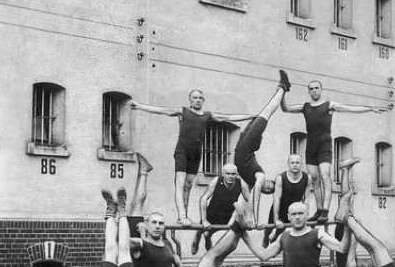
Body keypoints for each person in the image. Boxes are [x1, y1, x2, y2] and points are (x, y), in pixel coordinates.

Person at [129, 90, 254, 226]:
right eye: (194, 97)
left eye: (200, 98)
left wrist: (251, 117)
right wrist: (139, 106)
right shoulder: (183, 112)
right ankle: (182, 216)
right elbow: (162, 110)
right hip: (182, 151)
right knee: (180, 183)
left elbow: (228, 118)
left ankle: (185, 217)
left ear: (203, 100)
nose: (197, 100)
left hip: (196, 154)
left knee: (188, 186)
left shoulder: (207, 115)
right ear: (190, 99)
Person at [280, 79, 389, 223]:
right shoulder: (305, 107)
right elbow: (285, 108)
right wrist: (282, 91)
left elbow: (349, 108)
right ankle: (319, 210)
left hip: (324, 144)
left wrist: (370, 108)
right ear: (308, 91)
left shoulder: (329, 105)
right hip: (311, 145)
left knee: (325, 175)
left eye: (316, 88)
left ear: (321, 89)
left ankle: (325, 210)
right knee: (314, 179)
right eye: (311, 88)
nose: (314, 90)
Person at [232, 71, 293, 225]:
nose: (266, 189)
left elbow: (245, 198)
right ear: (270, 181)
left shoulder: (249, 183)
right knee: (266, 114)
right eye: (269, 187)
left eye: (267, 191)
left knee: (262, 113)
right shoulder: (260, 176)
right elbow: (256, 193)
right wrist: (254, 217)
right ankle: (283, 88)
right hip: (247, 146)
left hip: (243, 144)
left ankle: (280, 89)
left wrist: (244, 216)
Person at [192, 163, 249, 254]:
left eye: (233, 174)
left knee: (209, 234)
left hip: (226, 215)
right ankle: (196, 239)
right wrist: (204, 220)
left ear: (237, 174)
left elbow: (249, 201)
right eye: (228, 173)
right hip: (211, 213)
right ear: (223, 174)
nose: (230, 176)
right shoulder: (216, 181)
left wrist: (249, 218)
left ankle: (207, 239)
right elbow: (204, 198)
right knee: (201, 230)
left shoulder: (241, 184)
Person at [266, 153, 310, 246]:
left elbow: (306, 199)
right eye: (292, 162)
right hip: (280, 207)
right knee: (268, 231)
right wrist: (276, 219)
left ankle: (274, 241)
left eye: (297, 163)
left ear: (301, 164)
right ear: (288, 164)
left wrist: (305, 215)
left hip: (293, 209)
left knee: (280, 232)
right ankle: (264, 247)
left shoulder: (307, 178)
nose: (295, 165)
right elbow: (277, 199)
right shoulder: (281, 178)